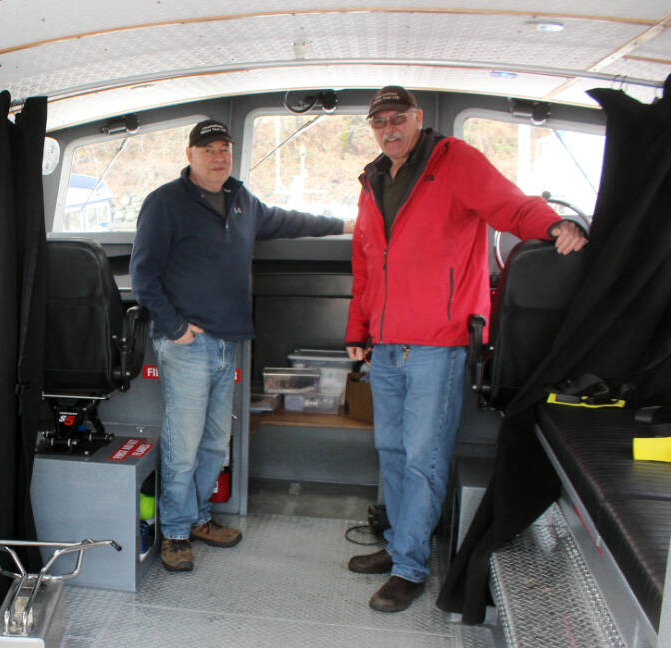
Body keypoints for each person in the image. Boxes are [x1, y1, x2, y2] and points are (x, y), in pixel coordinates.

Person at [345, 86, 588, 611]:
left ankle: (409, 568)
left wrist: (554, 224)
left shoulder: (456, 162)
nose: (389, 129)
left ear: (417, 117)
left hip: (439, 342)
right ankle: (399, 544)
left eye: (398, 119)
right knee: (390, 452)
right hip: (384, 346)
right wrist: (356, 331)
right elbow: (365, 263)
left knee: (422, 458)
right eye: (379, 121)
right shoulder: (373, 180)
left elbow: (510, 206)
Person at [131, 119, 354, 572]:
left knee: (216, 442)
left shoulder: (242, 201)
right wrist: (175, 329)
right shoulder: (165, 203)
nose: (218, 157)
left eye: (224, 149)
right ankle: (174, 532)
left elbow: (288, 221)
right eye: (208, 149)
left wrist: (346, 221)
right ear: (189, 154)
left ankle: (198, 519)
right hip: (188, 345)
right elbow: (143, 275)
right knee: (184, 443)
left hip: (227, 343)